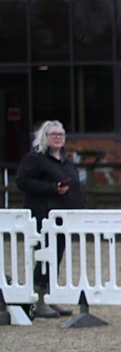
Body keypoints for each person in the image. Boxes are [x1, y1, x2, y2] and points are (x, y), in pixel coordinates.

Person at [15, 119, 82, 318]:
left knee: (56, 257)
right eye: (53, 134)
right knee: (45, 257)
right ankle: (39, 299)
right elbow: (22, 181)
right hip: (42, 215)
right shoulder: (34, 158)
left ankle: (49, 297)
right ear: (44, 137)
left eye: (60, 134)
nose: (58, 138)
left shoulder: (65, 159)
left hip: (62, 217)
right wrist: (52, 188)